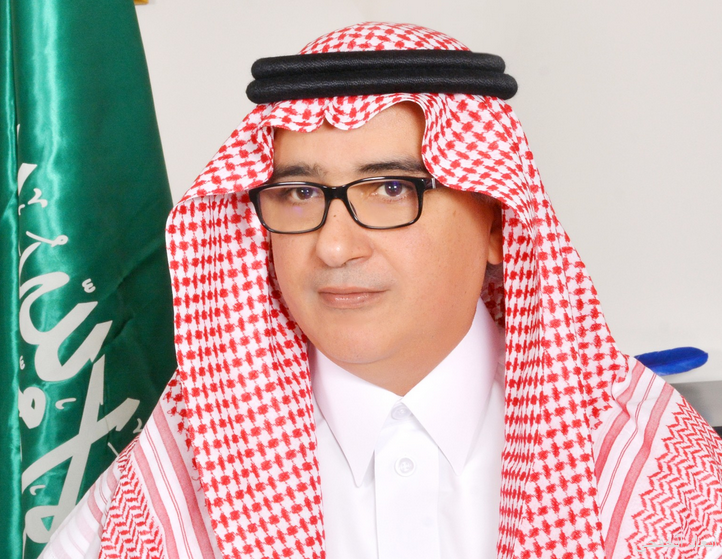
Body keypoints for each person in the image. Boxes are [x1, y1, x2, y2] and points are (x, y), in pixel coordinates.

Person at [41, 22, 722, 559]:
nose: (334, 247)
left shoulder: (647, 464)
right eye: (299, 193)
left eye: (392, 188)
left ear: (497, 222)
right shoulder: (173, 473)